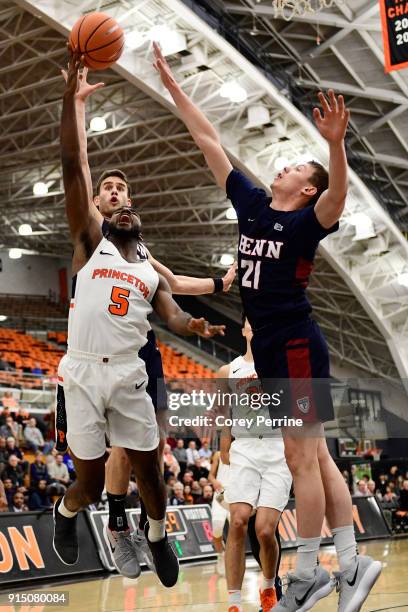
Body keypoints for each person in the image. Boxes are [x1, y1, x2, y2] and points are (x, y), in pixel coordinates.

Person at [152, 42, 381, 612]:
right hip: (276, 350)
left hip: (298, 344)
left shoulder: (307, 222)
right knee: (319, 458)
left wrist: (334, 145)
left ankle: (307, 571)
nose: (282, 165)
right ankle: (351, 562)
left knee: (302, 459)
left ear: (305, 187)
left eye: (295, 167)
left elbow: (337, 196)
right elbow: (211, 142)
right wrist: (174, 86)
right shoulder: (253, 204)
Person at [60, 56, 235, 580]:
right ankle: (68, 514)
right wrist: (72, 102)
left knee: (152, 471)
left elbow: (175, 311)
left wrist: (195, 326)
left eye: (124, 194)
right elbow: (74, 164)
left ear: (133, 208)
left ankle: (157, 537)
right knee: (89, 484)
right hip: (84, 369)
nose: (118, 198)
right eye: (108, 193)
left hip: (129, 372)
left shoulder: (146, 265)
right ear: (99, 209)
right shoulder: (90, 242)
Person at [218, 317, 291, 612]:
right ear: (245, 330)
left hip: (277, 448)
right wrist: (224, 440)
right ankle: (234, 603)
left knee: (264, 530)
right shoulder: (229, 370)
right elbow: (224, 412)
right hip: (244, 448)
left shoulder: (280, 365)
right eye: (252, 323)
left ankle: (268, 585)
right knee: (237, 521)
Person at [208, 449, 230, 576]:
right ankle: (221, 554)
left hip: (236, 493)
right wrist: (214, 481)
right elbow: (210, 475)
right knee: (217, 526)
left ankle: (233, 559)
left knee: (236, 528)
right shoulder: (218, 454)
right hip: (220, 493)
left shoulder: (243, 450)